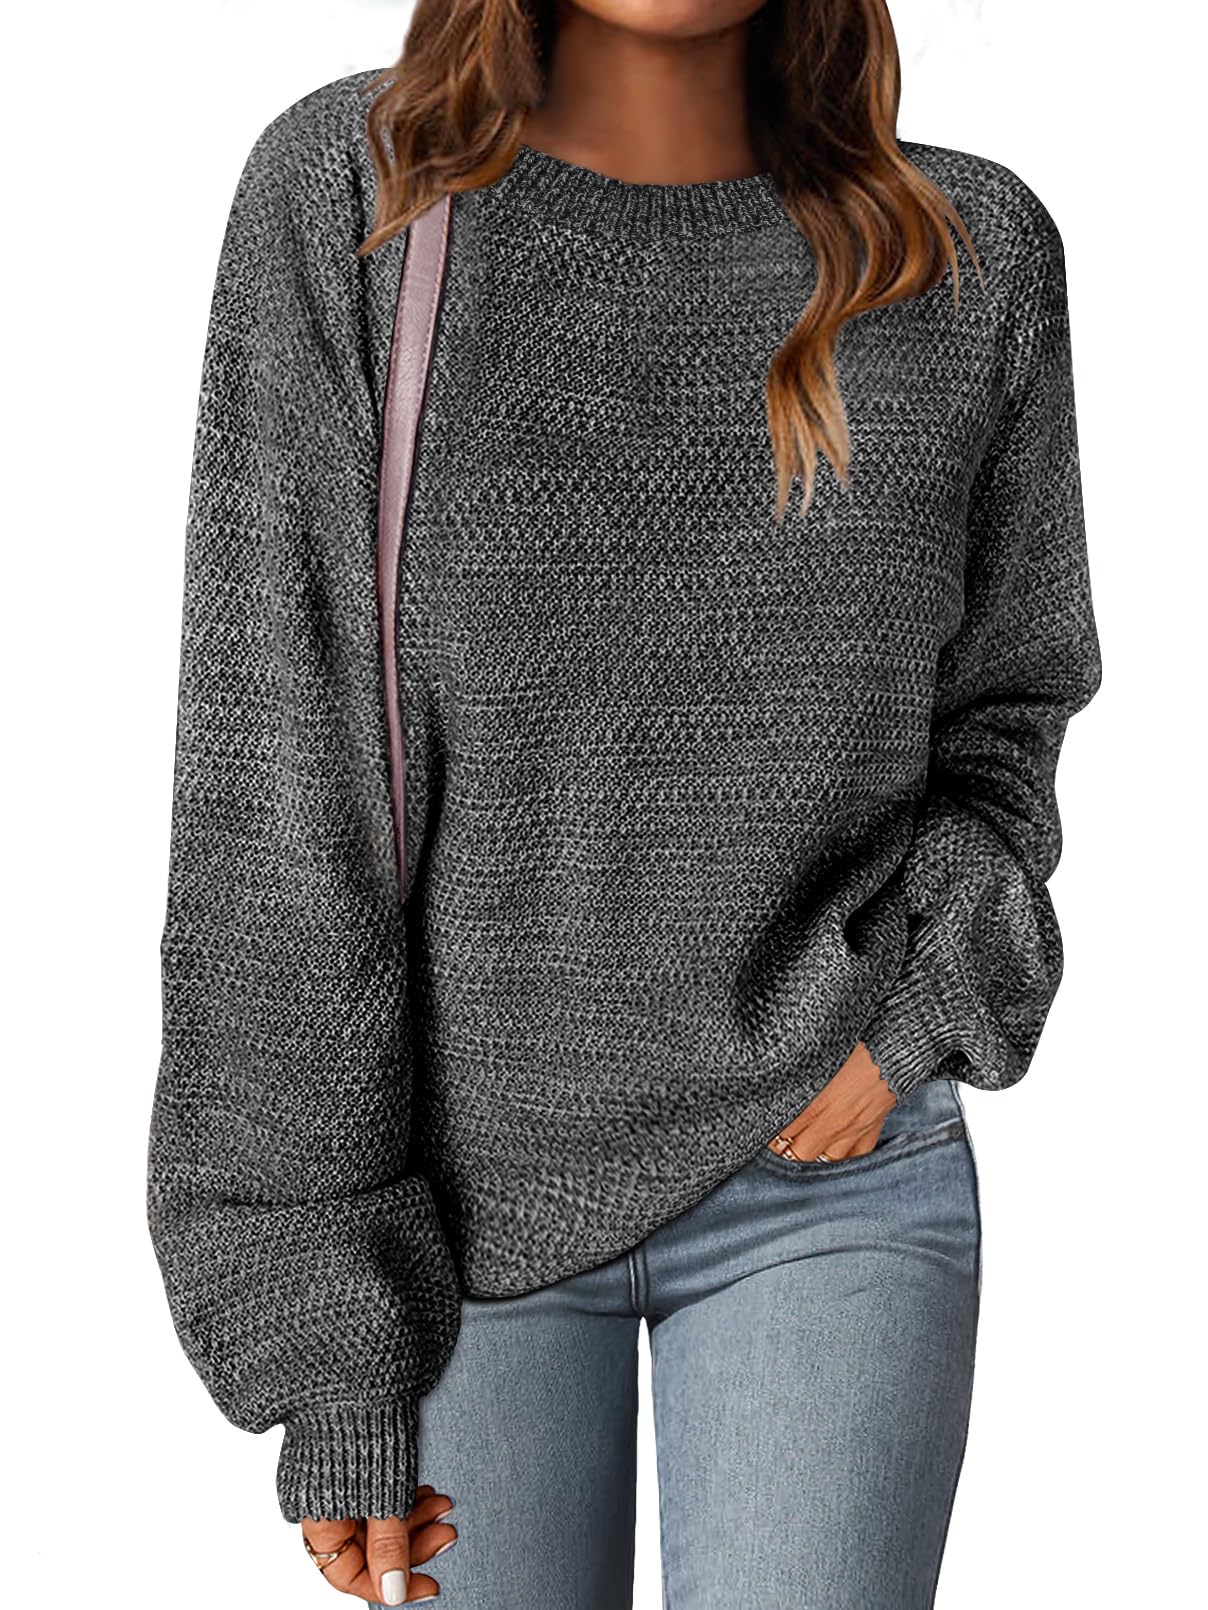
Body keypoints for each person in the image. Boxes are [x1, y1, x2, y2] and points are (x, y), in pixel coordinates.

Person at [146, 2, 1102, 1605]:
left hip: (835, 1183)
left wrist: (918, 1012)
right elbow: (281, 793)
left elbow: (1009, 715)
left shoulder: (965, 258)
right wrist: (325, 1326)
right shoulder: (363, 202)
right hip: (450, 1227)